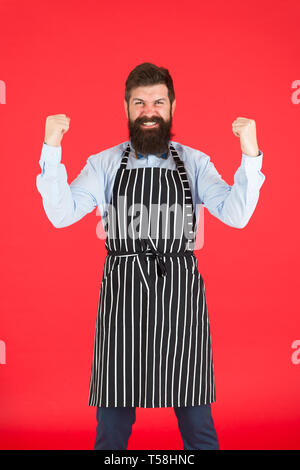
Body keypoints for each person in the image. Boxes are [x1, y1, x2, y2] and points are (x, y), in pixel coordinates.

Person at [36, 62, 266, 450]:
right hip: (123, 298)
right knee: (112, 423)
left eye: (158, 102)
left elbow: (236, 214)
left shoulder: (194, 162)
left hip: (181, 298)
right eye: (139, 102)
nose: (149, 111)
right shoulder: (105, 164)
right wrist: (51, 150)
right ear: (126, 108)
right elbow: (61, 214)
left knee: (197, 420)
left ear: (172, 106)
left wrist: (250, 154)